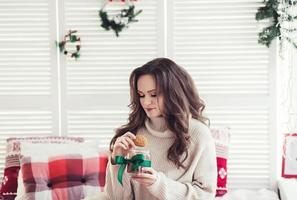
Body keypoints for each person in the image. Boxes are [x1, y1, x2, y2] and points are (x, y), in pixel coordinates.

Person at [105, 58, 217, 200]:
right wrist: (117, 161)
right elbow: (116, 198)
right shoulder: (133, 135)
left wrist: (158, 184)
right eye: (141, 95)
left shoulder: (198, 134)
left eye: (154, 94)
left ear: (173, 93)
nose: (146, 102)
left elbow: (205, 195)